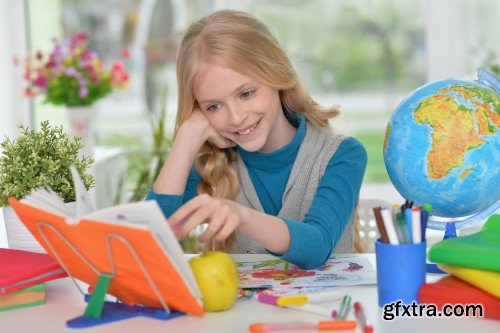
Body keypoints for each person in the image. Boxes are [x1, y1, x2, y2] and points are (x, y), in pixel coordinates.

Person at [146, 9, 367, 269]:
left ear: (276, 76)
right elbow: (150, 239)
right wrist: (187, 135)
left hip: (330, 307)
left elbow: (317, 246)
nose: (237, 117)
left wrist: (240, 215)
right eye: (213, 106)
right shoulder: (212, 166)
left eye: (246, 93)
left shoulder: (341, 155)